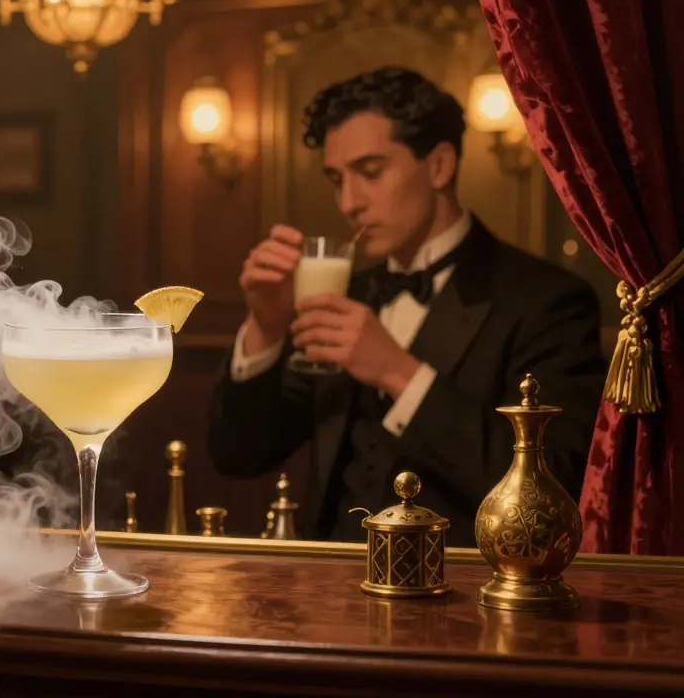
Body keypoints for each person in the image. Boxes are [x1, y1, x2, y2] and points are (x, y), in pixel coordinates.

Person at [207, 67, 605, 547]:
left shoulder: (548, 300)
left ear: (439, 166)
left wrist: (397, 371)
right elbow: (239, 455)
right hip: (327, 588)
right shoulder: (345, 292)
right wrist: (265, 329)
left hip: (463, 594)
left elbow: (551, 492)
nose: (348, 202)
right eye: (337, 179)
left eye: (370, 172)